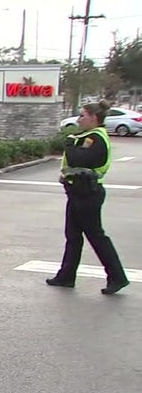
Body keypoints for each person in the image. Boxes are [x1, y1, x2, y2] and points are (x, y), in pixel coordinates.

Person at [46, 100, 129, 295]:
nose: (79, 119)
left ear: (94, 118)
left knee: (96, 236)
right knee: (73, 237)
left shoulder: (95, 138)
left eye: (83, 115)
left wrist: (69, 145)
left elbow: (79, 159)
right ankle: (66, 276)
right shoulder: (86, 136)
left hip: (88, 194)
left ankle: (117, 277)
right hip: (77, 191)